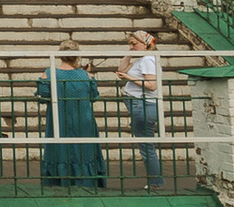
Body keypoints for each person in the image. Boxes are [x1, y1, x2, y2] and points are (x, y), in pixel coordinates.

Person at [39, 43, 104, 190]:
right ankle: (86, 182)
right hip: (83, 119)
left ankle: (58, 181)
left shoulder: (49, 73)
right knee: (84, 151)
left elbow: (43, 95)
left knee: (59, 149)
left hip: (59, 118)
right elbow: (94, 96)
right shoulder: (86, 76)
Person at [120, 22, 165, 190]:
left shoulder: (147, 60)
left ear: (145, 44)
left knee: (146, 146)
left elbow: (152, 86)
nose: (131, 47)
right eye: (129, 44)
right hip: (140, 105)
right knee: (146, 144)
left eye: (134, 44)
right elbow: (121, 69)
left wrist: (129, 79)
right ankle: (155, 181)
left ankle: (155, 182)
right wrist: (129, 54)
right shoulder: (142, 59)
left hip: (143, 105)